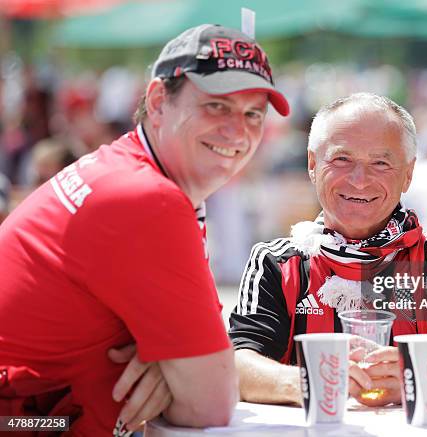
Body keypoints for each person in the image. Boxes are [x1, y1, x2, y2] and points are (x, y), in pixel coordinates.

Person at [0, 24, 289, 436]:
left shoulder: (127, 169)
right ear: (157, 101)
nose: (237, 131)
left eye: (252, 114)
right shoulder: (149, 198)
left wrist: (173, 358)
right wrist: (179, 364)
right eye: (217, 107)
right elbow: (210, 404)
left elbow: (204, 366)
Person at [229, 93, 427, 407]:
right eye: (342, 159)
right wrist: (314, 381)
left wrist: (418, 377)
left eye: (380, 163)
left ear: (408, 174)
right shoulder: (277, 263)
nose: (360, 180)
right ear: (312, 165)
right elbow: (238, 365)